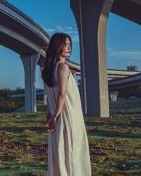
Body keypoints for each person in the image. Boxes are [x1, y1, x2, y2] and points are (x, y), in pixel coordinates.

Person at [42, 32, 92, 176]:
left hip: (56, 115)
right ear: (57, 46)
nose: (68, 47)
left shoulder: (47, 71)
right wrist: (56, 116)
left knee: (60, 149)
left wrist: (50, 115)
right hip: (67, 116)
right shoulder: (63, 67)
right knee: (72, 149)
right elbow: (62, 94)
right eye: (65, 44)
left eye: (70, 44)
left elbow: (50, 96)